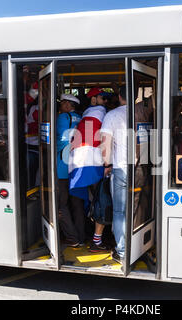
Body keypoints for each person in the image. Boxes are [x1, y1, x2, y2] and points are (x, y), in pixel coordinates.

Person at [69, 87, 108, 253]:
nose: (105, 101)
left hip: (79, 160)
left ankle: (86, 235)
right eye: (102, 98)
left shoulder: (86, 114)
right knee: (99, 200)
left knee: (90, 199)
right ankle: (97, 239)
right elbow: (101, 138)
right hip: (92, 160)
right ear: (94, 99)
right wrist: (106, 163)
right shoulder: (99, 112)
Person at [100, 86, 128, 264]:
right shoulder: (141, 112)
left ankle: (123, 251)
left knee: (119, 212)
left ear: (119, 96)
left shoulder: (111, 115)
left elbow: (105, 144)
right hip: (141, 169)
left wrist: (107, 164)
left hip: (120, 168)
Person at [56, 94, 85, 247]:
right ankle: (81, 235)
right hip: (77, 166)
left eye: (62, 103)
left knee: (62, 204)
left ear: (68, 104)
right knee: (77, 203)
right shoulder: (80, 118)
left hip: (62, 166)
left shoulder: (62, 117)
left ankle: (72, 238)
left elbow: (61, 141)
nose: (60, 106)